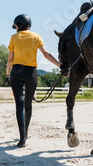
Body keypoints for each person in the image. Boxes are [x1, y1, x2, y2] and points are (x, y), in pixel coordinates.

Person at [6, 14, 61, 148]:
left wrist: (7, 75)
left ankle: (22, 138)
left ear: (18, 25)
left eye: (16, 27)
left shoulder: (14, 38)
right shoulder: (36, 37)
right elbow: (46, 54)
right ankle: (26, 132)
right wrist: (60, 66)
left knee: (19, 105)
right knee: (28, 105)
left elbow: (10, 60)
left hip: (17, 72)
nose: (15, 29)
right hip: (31, 73)